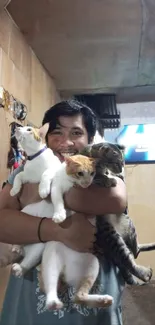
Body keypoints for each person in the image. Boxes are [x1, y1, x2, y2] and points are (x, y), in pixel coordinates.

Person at [0, 100, 127, 325]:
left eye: (76, 133)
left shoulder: (99, 171)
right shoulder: (24, 171)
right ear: (45, 137)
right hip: (29, 310)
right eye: (56, 132)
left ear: (90, 140)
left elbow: (115, 200)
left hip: (91, 312)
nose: (65, 142)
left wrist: (42, 192)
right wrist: (57, 231)